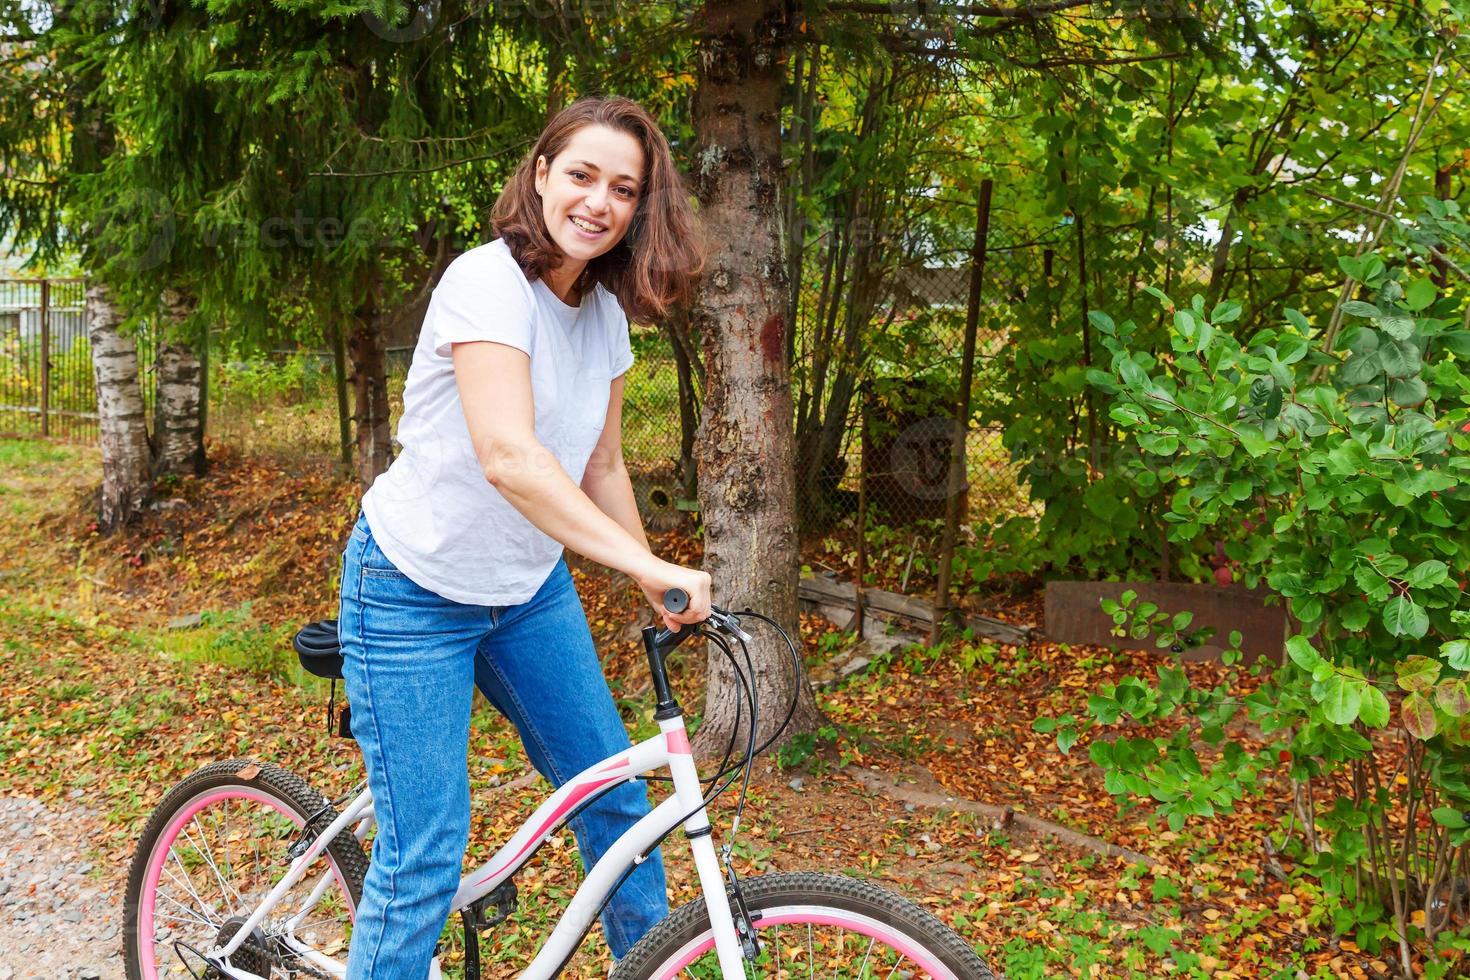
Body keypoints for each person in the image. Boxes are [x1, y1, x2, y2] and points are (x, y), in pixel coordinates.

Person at [336, 95, 712, 978]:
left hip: (524, 593)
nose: (599, 202)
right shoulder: (484, 282)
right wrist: (647, 559)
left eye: (623, 189)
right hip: (410, 590)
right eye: (581, 175)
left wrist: (643, 582)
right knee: (424, 857)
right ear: (541, 175)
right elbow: (510, 456)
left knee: (617, 808)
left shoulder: (606, 319)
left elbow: (602, 466)